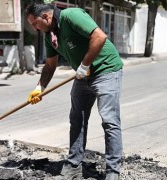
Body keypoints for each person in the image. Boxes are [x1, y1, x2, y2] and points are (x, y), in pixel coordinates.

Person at [25, 3, 123, 180]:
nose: (34, 28)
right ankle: (73, 165)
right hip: (82, 75)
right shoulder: (50, 34)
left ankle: (113, 172)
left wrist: (84, 65)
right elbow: (50, 65)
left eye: (35, 23)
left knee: (109, 120)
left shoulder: (71, 15)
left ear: (46, 17)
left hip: (106, 70)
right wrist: (39, 88)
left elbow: (100, 37)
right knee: (77, 118)